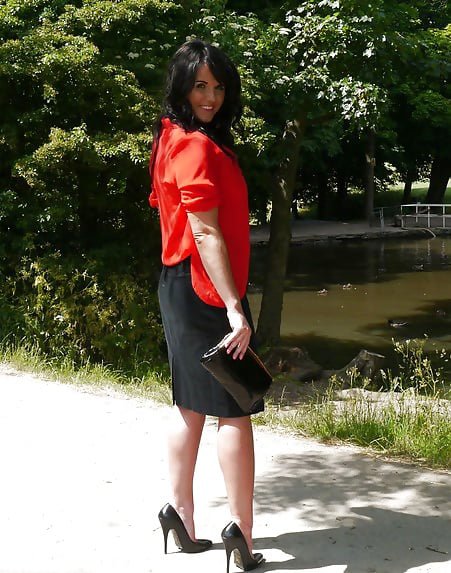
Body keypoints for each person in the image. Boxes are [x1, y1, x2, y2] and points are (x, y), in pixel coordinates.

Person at [148, 39, 264, 572]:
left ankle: (180, 515)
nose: (210, 97)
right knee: (234, 411)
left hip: (176, 284)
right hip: (207, 290)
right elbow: (205, 230)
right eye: (200, 86)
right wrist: (235, 307)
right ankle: (242, 532)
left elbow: (168, 215)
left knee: (189, 406)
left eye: (218, 87)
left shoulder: (168, 138)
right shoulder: (195, 146)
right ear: (182, 86)